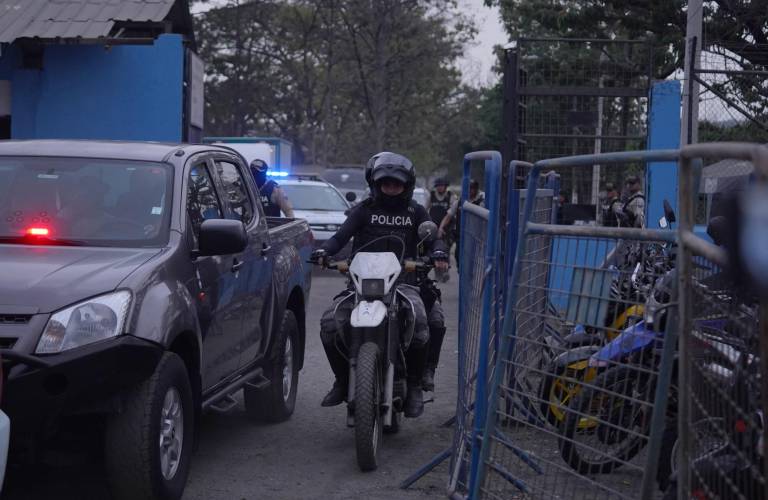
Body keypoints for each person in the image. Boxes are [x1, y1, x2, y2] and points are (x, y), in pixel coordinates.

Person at [311, 152, 449, 418]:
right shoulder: (363, 210)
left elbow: (435, 240)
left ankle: (415, 385)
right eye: (386, 184)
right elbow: (339, 238)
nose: (391, 189)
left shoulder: (416, 212)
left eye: (396, 184)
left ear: (406, 186)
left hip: (405, 284)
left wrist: (440, 254)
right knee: (330, 323)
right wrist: (324, 252)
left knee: (422, 320)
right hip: (362, 285)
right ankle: (342, 380)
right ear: (376, 185)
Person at [438, 178, 485, 270]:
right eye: (468, 188)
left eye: (472, 188)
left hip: (475, 237)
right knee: (458, 256)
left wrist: (483, 238)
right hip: (461, 236)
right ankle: (463, 274)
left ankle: (469, 276)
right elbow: (448, 216)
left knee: (472, 260)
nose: (470, 190)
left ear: (476, 189)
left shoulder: (481, 203)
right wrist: (441, 227)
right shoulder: (459, 202)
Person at [425, 176, 454, 283]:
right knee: (435, 250)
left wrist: (444, 227)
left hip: (447, 228)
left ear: (445, 187)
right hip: (433, 227)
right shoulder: (432, 196)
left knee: (445, 249)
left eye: (442, 186)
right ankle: (438, 273)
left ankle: (445, 270)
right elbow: (425, 208)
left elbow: (452, 212)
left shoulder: (450, 196)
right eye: (438, 186)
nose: (440, 188)